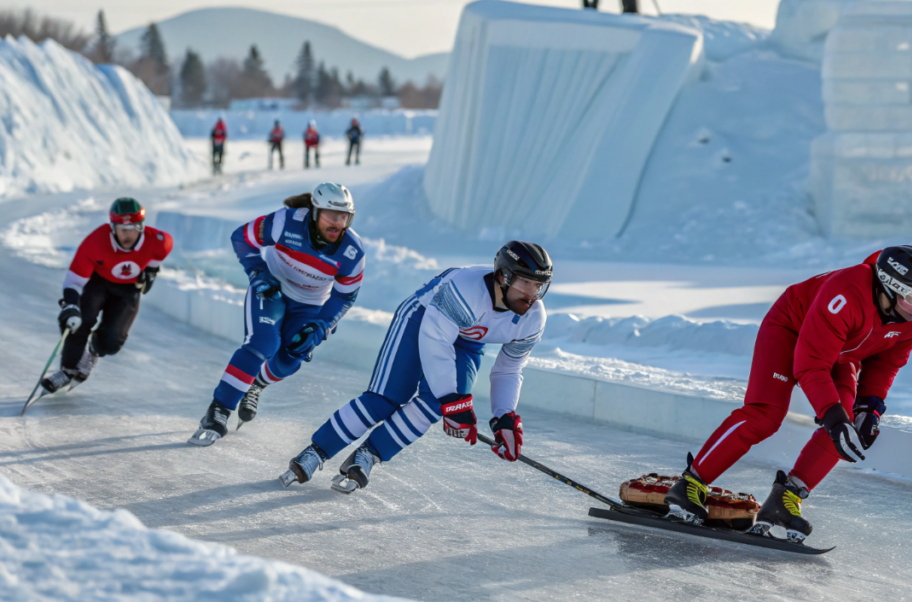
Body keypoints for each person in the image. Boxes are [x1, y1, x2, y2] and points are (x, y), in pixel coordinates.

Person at [664, 246, 912, 542]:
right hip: (790, 329)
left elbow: (887, 363)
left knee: (847, 425)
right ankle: (690, 484)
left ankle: (786, 499)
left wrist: (870, 407)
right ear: (889, 290)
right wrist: (831, 415)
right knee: (766, 415)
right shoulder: (845, 292)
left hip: (841, 350)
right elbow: (811, 365)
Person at [279, 241, 552, 493]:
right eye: (525, 282)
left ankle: (369, 454)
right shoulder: (466, 289)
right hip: (421, 318)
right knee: (387, 398)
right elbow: (436, 344)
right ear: (504, 276)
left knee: (438, 404)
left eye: (538, 285)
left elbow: (508, 370)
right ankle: (317, 451)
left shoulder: (533, 318)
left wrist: (504, 417)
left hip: (467, 341)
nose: (532, 294)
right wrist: (452, 400)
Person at [189, 183, 366, 446]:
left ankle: (256, 385)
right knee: (263, 343)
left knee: (292, 356)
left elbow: (344, 296)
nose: (337, 224)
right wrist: (258, 271)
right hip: (272, 289)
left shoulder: (353, 251)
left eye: (343, 218)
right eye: (331, 215)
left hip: (310, 304)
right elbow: (242, 237)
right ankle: (218, 410)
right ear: (314, 212)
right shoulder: (285, 222)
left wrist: (322, 325)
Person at [43, 198, 173, 393]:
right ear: (112, 227)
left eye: (134, 227)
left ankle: (92, 353)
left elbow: (160, 253)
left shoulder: (159, 242)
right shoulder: (95, 241)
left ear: (142, 227)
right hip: (99, 283)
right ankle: (67, 370)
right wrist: (71, 305)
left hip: (128, 291)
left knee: (112, 343)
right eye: (122, 228)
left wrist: (152, 271)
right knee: (78, 320)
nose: (128, 234)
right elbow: (74, 281)